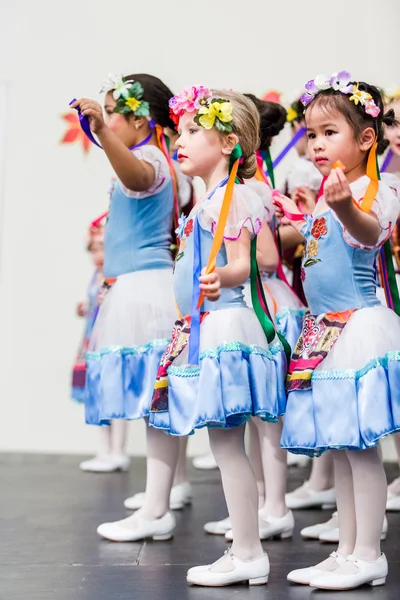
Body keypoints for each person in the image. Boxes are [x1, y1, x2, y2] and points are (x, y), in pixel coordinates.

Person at [274, 71, 400, 591]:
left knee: (361, 448)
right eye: (311, 133)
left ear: (366, 138)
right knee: (343, 446)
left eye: (330, 132)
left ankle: (369, 552)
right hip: (324, 331)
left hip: (359, 325)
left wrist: (346, 205)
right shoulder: (327, 198)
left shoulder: (376, 188)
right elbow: (303, 239)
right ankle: (346, 547)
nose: (316, 143)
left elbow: (371, 233)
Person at [70, 74, 177, 475]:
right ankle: (167, 492)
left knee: (156, 399)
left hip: (145, 287)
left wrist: (100, 130)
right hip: (135, 284)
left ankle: (158, 503)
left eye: (115, 112)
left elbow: (137, 176)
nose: (109, 120)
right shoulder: (149, 155)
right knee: (154, 398)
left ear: (142, 120)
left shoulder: (149, 158)